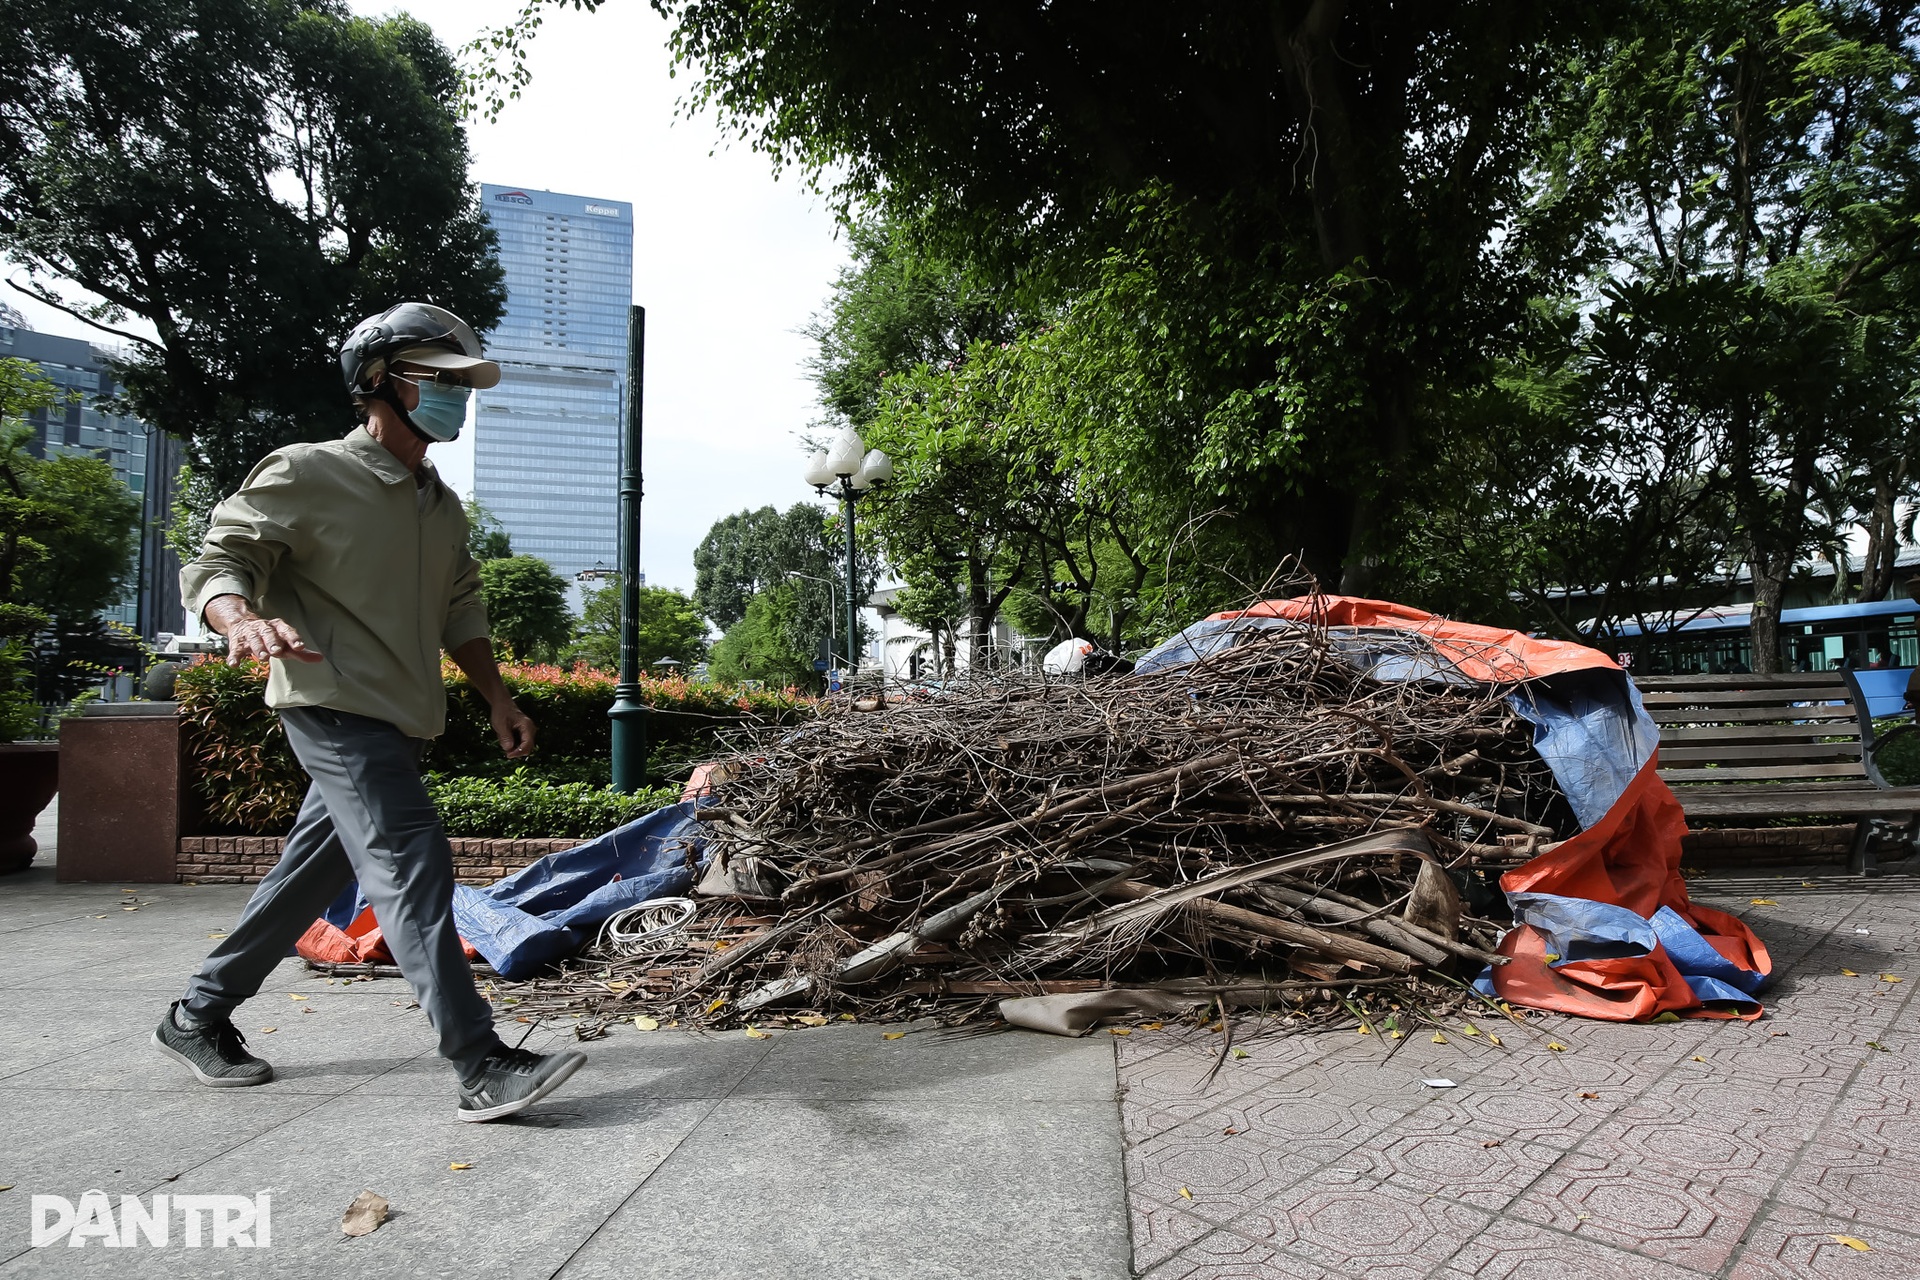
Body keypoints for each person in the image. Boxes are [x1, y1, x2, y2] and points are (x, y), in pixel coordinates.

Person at [153, 303, 586, 1123]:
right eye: (439, 380)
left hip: (397, 719)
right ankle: (478, 1060)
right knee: (414, 860)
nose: (457, 398)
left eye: (463, 385)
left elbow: (461, 609)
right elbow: (221, 559)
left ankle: (196, 1015)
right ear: (379, 382)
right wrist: (238, 618)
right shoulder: (308, 471)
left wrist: (498, 697)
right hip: (331, 705)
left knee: (306, 877)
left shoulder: (439, 503)